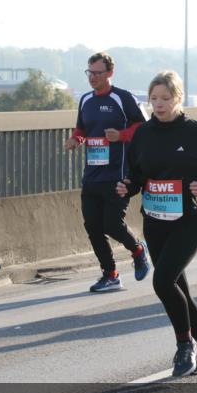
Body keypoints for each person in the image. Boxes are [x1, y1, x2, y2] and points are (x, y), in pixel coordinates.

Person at [117, 71, 197, 376]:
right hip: (154, 221)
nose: (159, 104)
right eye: (154, 99)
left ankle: (184, 347)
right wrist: (128, 185)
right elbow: (138, 174)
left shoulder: (195, 131)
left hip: (188, 220)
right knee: (178, 286)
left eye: (165, 98)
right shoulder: (143, 134)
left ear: (177, 98)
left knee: (162, 281)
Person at [64, 52, 150, 293]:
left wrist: (121, 136)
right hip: (92, 174)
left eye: (98, 73)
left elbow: (145, 127)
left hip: (118, 173)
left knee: (112, 224)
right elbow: (82, 128)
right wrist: (75, 140)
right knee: (92, 226)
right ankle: (110, 274)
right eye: (89, 73)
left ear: (110, 73)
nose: (92, 77)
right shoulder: (85, 100)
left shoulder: (123, 98)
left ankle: (138, 250)